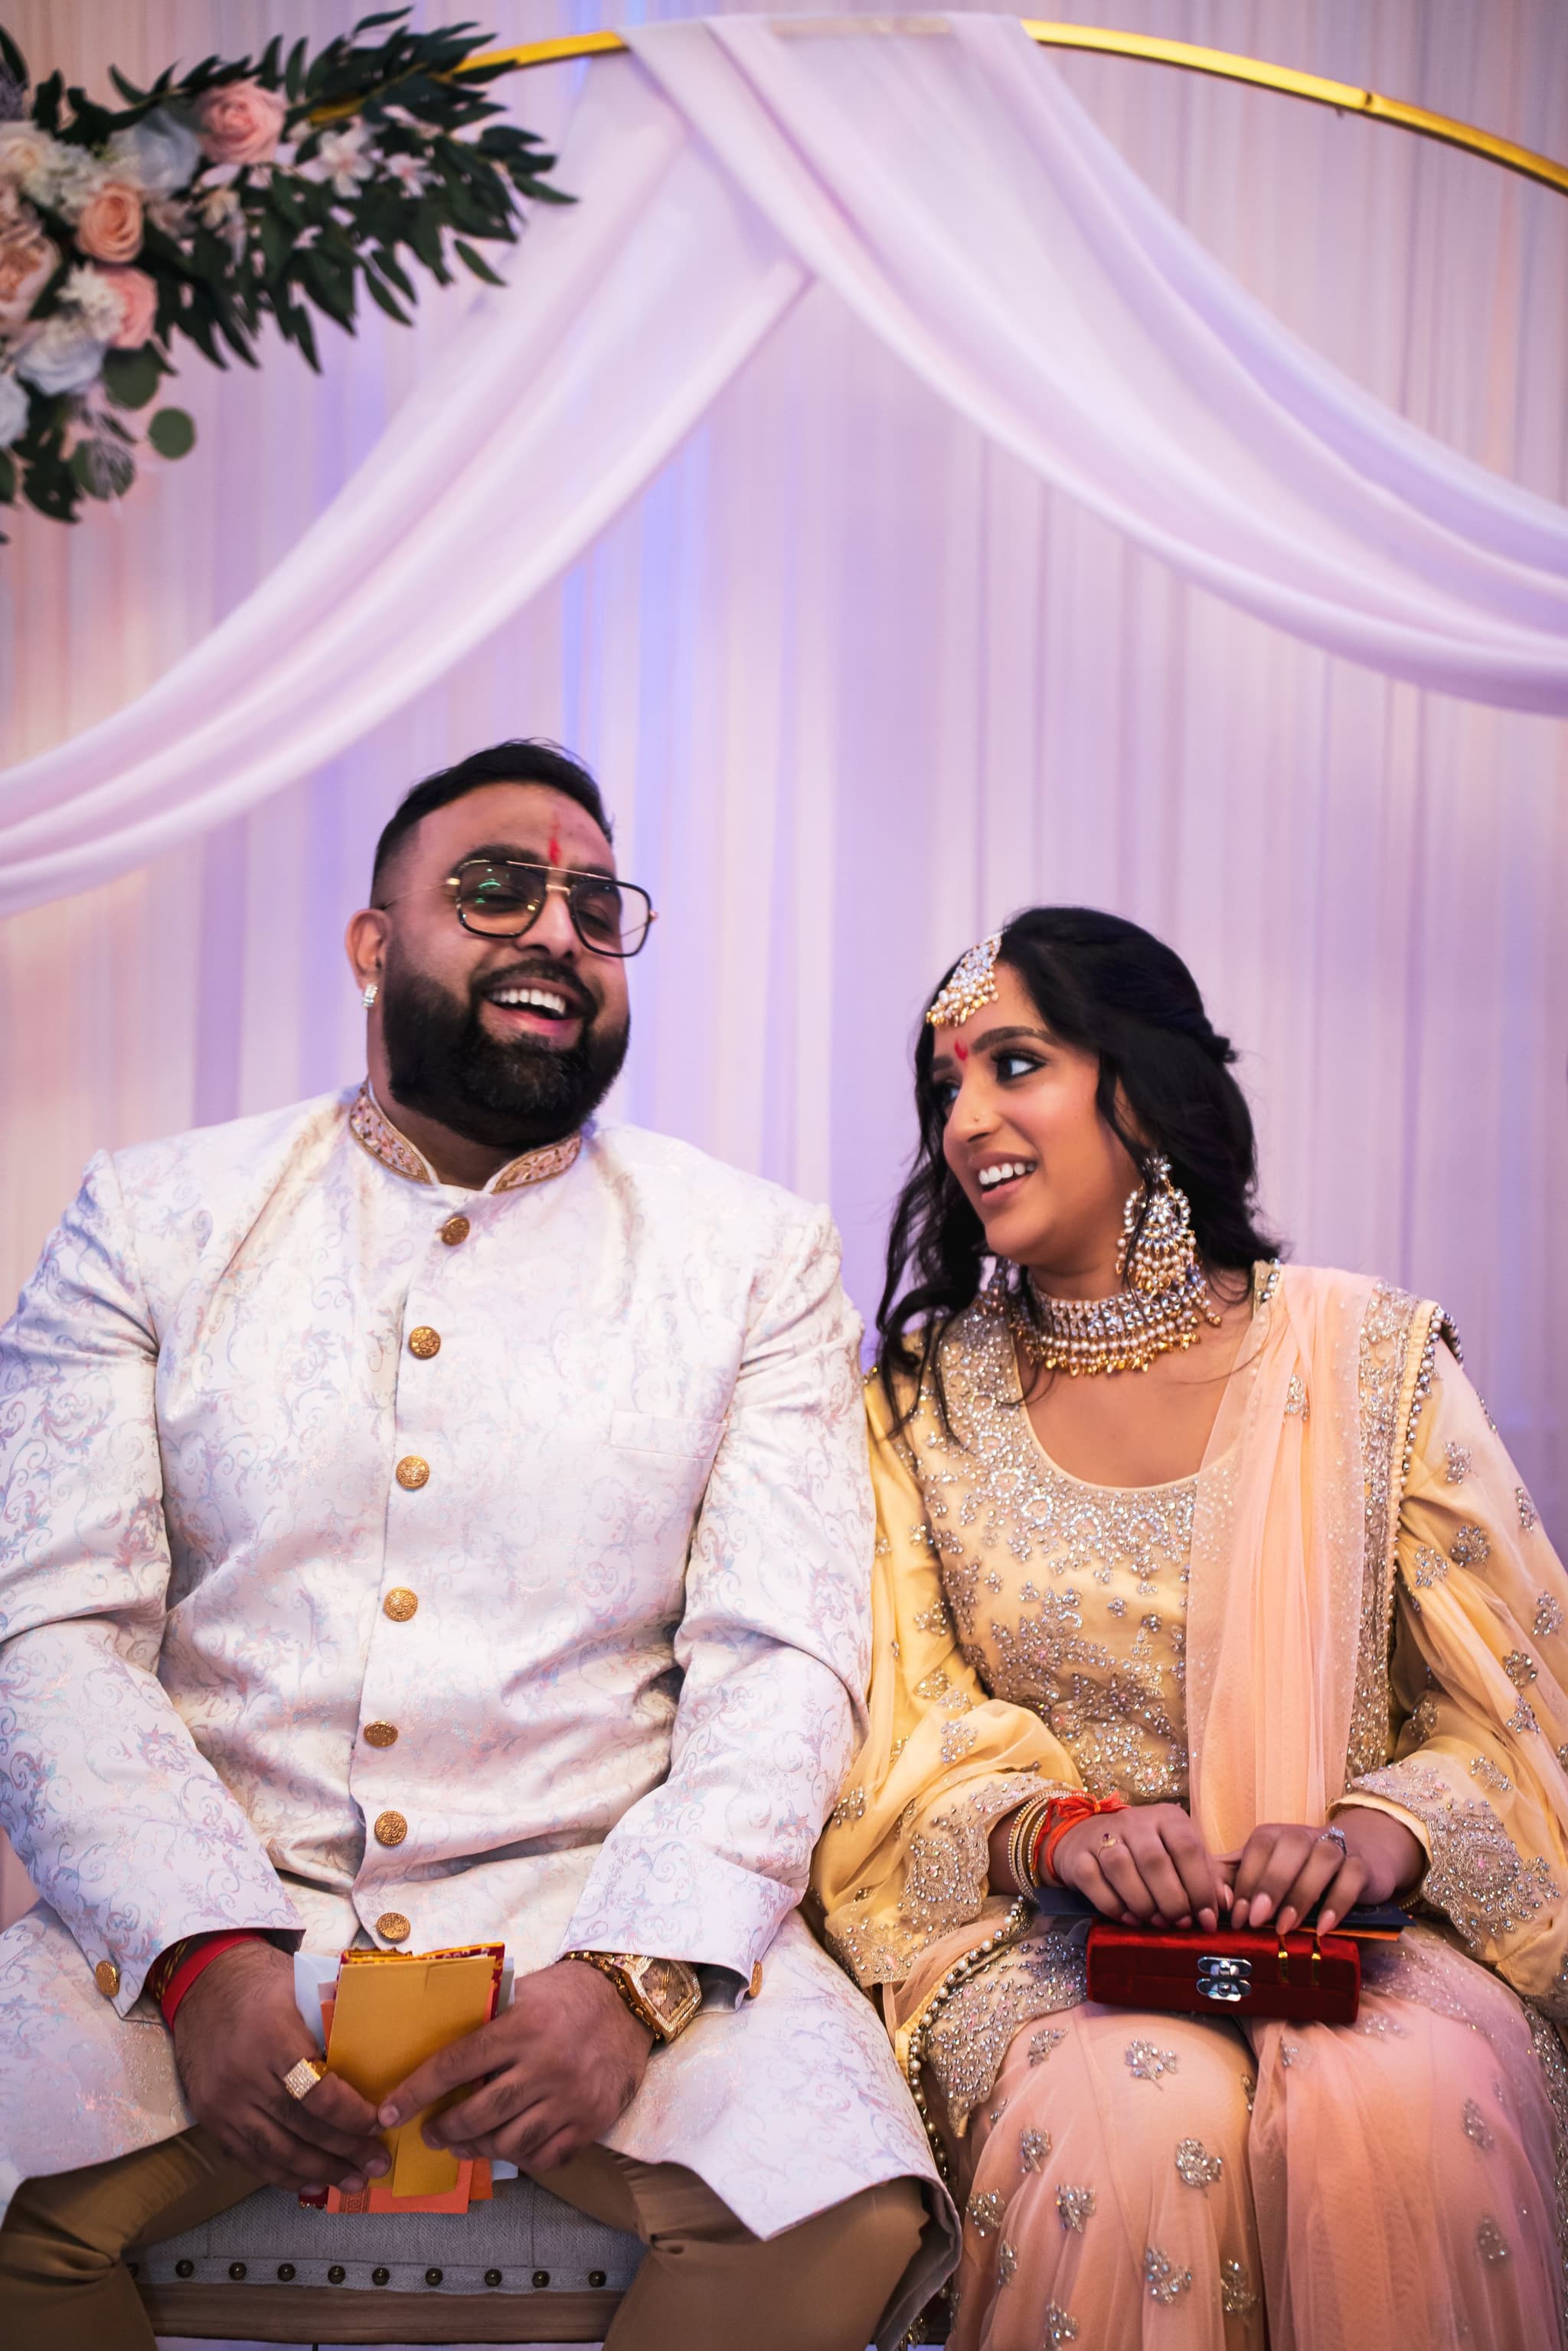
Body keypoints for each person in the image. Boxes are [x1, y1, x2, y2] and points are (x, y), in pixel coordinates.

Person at [0, 739, 949, 2350]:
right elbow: (53, 1628)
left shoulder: (748, 1253)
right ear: (373, 944)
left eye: (597, 905)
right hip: (230, 1893)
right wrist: (199, 1958)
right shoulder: (152, 1217)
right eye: (497, 887)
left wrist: (633, 1980)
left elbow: (782, 1658)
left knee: (835, 2217)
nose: (558, 930)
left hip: (588, 1900)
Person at [813, 907, 1568, 2351]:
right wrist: (1051, 1831)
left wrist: (1381, 1832)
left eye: (1014, 1064)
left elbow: (1520, 1711)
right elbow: (891, 1726)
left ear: (1145, 1091)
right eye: (945, 1087)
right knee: (1141, 2129)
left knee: (1397, 2106)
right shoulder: (919, 1404)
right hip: (1048, 1947)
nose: (964, 1122)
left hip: (1362, 1937)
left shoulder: (1369, 1360)